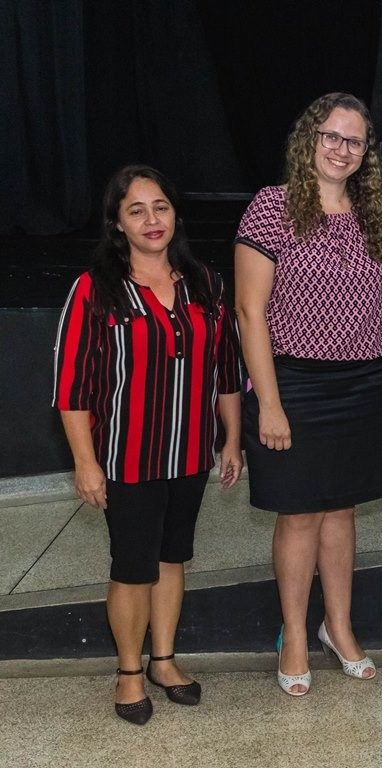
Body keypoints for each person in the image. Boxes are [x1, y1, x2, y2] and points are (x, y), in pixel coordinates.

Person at [53, 165, 243, 725]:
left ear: (175, 213)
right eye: (135, 210)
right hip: (126, 456)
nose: (151, 220)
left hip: (190, 454)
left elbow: (225, 369)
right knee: (133, 566)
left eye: (160, 207)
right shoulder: (95, 289)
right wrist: (85, 463)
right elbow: (71, 386)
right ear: (117, 223)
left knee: (172, 557)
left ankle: (163, 661)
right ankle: (129, 671)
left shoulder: (205, 283)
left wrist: (232, 439)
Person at [234, 92, 382, 696]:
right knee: (301, 512)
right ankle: (295, 636)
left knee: (343, 509)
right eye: (331, 136)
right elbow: (249, 312)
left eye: (354, 141)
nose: (342, 149)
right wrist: (270, 403)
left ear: (366, 153)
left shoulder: (371, 213)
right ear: (309, 139)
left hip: (363, 381)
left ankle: (338, 627)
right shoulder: (271, 207)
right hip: (295, 384)